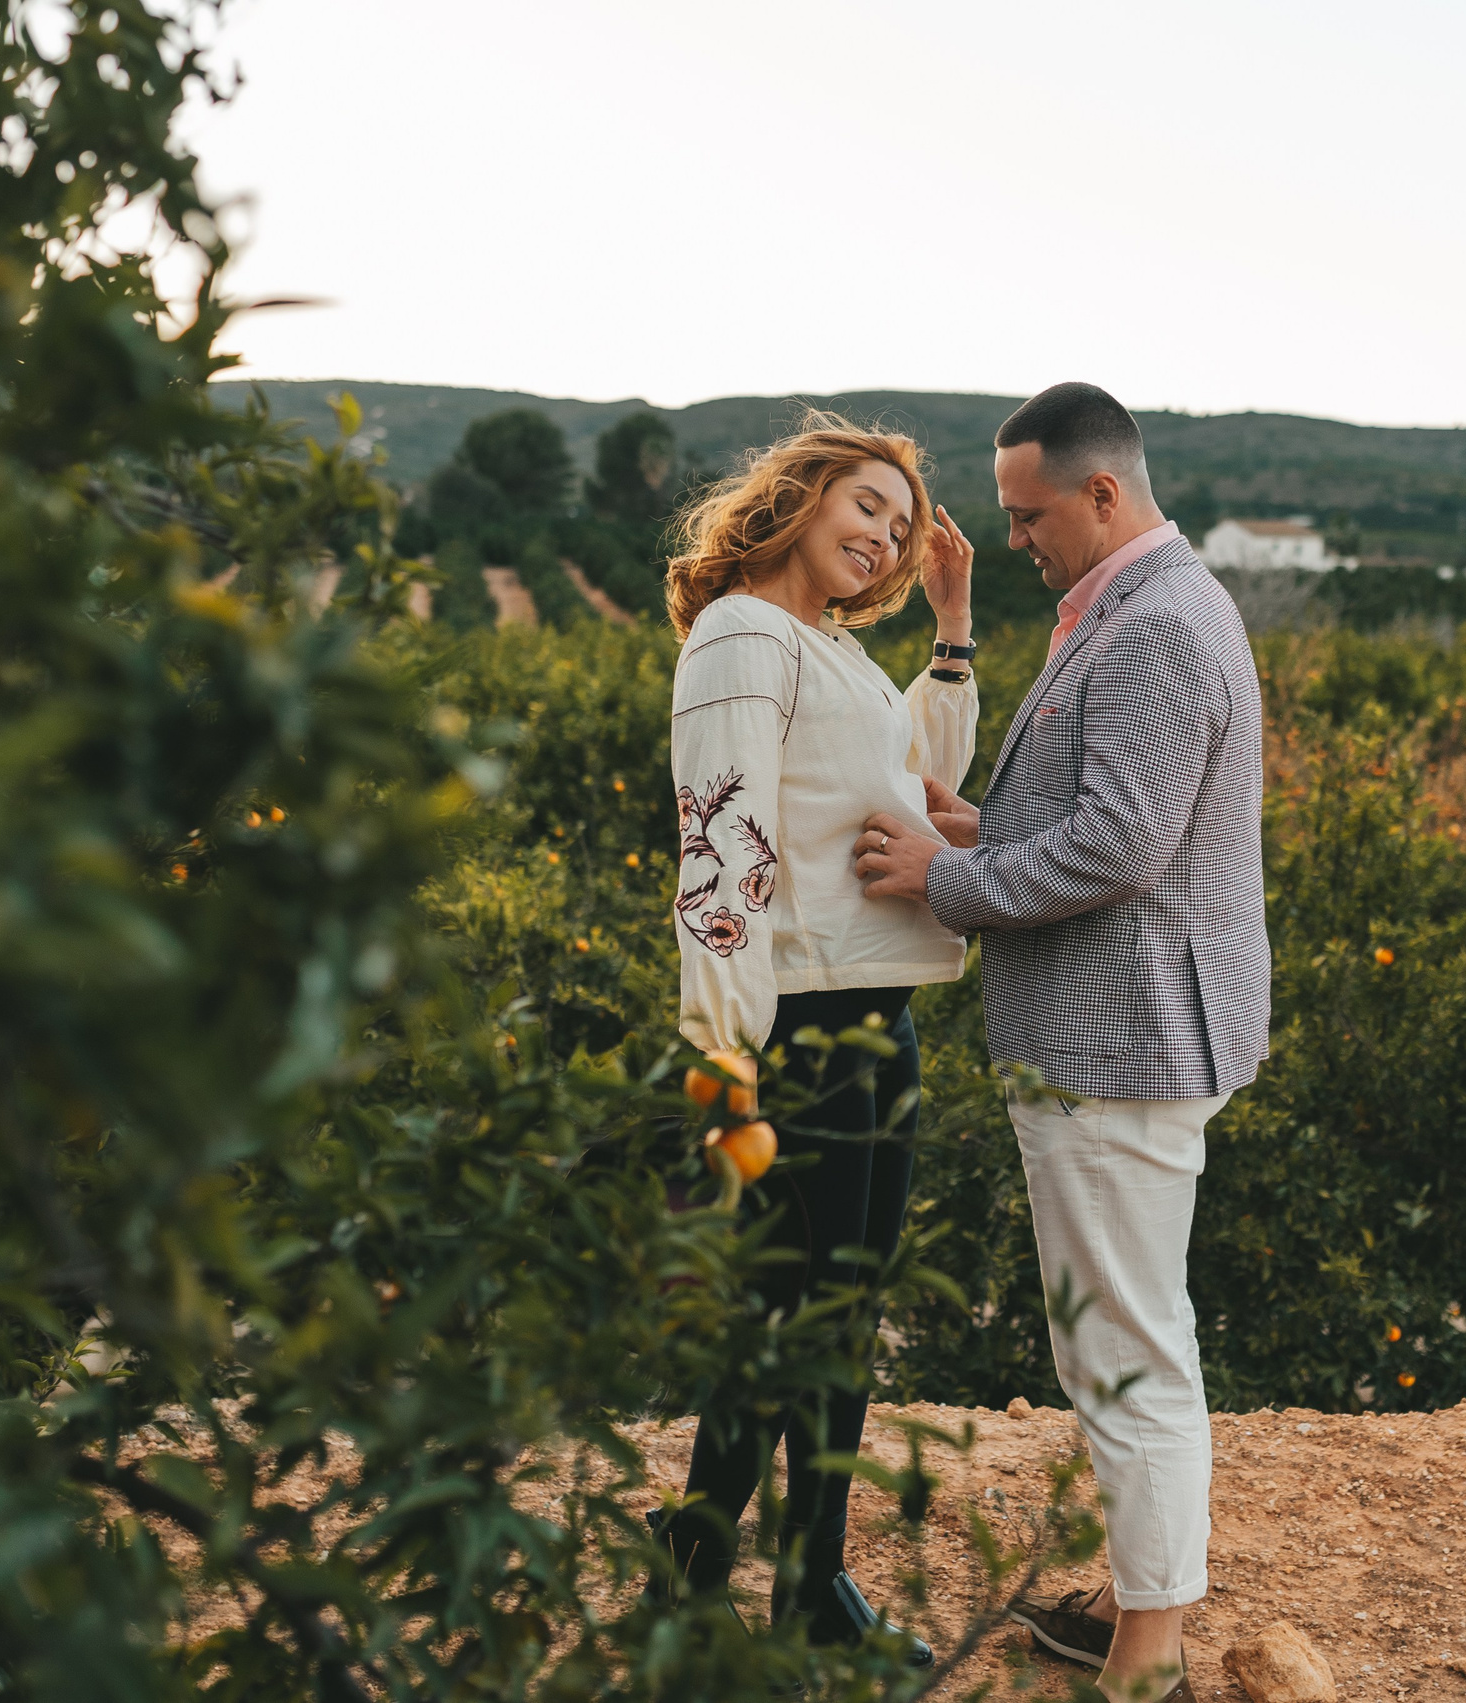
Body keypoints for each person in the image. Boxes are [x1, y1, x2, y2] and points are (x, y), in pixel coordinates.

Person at [855, 382, 1268, 1703]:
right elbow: (1103, 815)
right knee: (1123, 1331)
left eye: (1032, 513)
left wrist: (941, 879)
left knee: (1127, 1344)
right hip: (1126, 1026)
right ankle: (1139, 1599)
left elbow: (1113, 846)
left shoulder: (1155, 628)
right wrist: (970, 825)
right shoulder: (1144, 605)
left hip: (1116, 1041)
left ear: (1103, 493)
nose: (1015, 536)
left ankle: (1151, 1648)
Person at [651, 414, 978, 1665]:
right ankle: (792, 1589)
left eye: (899, 524)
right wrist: (723, 1065)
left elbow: (919, 789)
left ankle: (734, 1580)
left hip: (868, 1020)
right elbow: (718, 858)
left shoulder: (826, 647)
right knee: (808, 1316)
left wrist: (948, 625)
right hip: (800, 1032)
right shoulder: (741, 634)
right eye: (866, 505)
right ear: (797, 496)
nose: (885, 534)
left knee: (818, 1313)